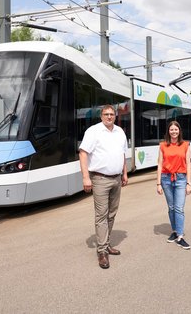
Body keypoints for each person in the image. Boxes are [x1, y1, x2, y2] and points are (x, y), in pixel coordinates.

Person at [79, 105, 128, 269]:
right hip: (99, 179)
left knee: (112, 214)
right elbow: (83, 153)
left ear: (115, 116)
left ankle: (106, 244)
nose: (109, 117)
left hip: (116, 178)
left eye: (112, 114)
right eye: (106, 114)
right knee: (102, 215)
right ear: (101, 116)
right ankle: (102, 252)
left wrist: (125, 173)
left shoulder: (120, 132)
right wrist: (86, 177)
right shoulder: (93, 131)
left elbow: (122, 153)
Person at [156, 121, 191, 250]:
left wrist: (188, 183)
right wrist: (158, 183)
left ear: (179, 131)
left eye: (176, 129)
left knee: (179, 208)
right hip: (166, 179)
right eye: (171, 129)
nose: (174, 131)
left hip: (181, 179)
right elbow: (160, 164)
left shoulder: (185, 145)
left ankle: (180, 236)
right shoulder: (163, 145)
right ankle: (175, 231)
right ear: (168, 132)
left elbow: (188, 164)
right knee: (171, 207)